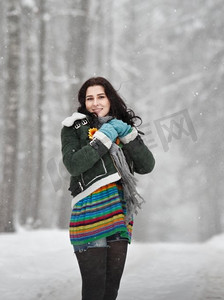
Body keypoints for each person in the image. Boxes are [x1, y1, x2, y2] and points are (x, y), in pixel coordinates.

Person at [61, 77, 155, 300]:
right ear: (84, 103)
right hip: (89, 210)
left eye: (101, 96)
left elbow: (147, 165)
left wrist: (127, 134)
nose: (96, 103)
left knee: (110, 291)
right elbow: (74, 165)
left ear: (110, 98)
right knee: (94, 291)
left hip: (119, 212)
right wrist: (103, 138)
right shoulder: (73, 128)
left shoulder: (121, 128)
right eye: (89, 98)